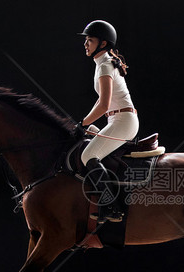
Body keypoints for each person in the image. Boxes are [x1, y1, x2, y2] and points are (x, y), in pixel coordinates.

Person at [77, 20, 139, 223]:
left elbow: (103, 105)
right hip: (118, 119)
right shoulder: (102, 64)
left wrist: (83, 122)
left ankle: (112, 205)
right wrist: (84, 124)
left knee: (88, 156)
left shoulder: (104, 66)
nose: (86, 44)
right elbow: (101, 100)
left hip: (123, 121)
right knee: (87, 138)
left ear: (103, 44)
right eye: (86, 40)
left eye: (90, 40)